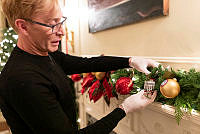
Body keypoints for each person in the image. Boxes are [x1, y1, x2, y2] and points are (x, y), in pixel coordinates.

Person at [0, 0, 159, 134]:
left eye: (60, 21)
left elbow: (86, 63)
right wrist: (124, 109)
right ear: (23, 26)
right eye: (52, 25)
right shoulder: (23, 79)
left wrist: (130, 61)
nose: (61, 32)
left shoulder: (45, 54)